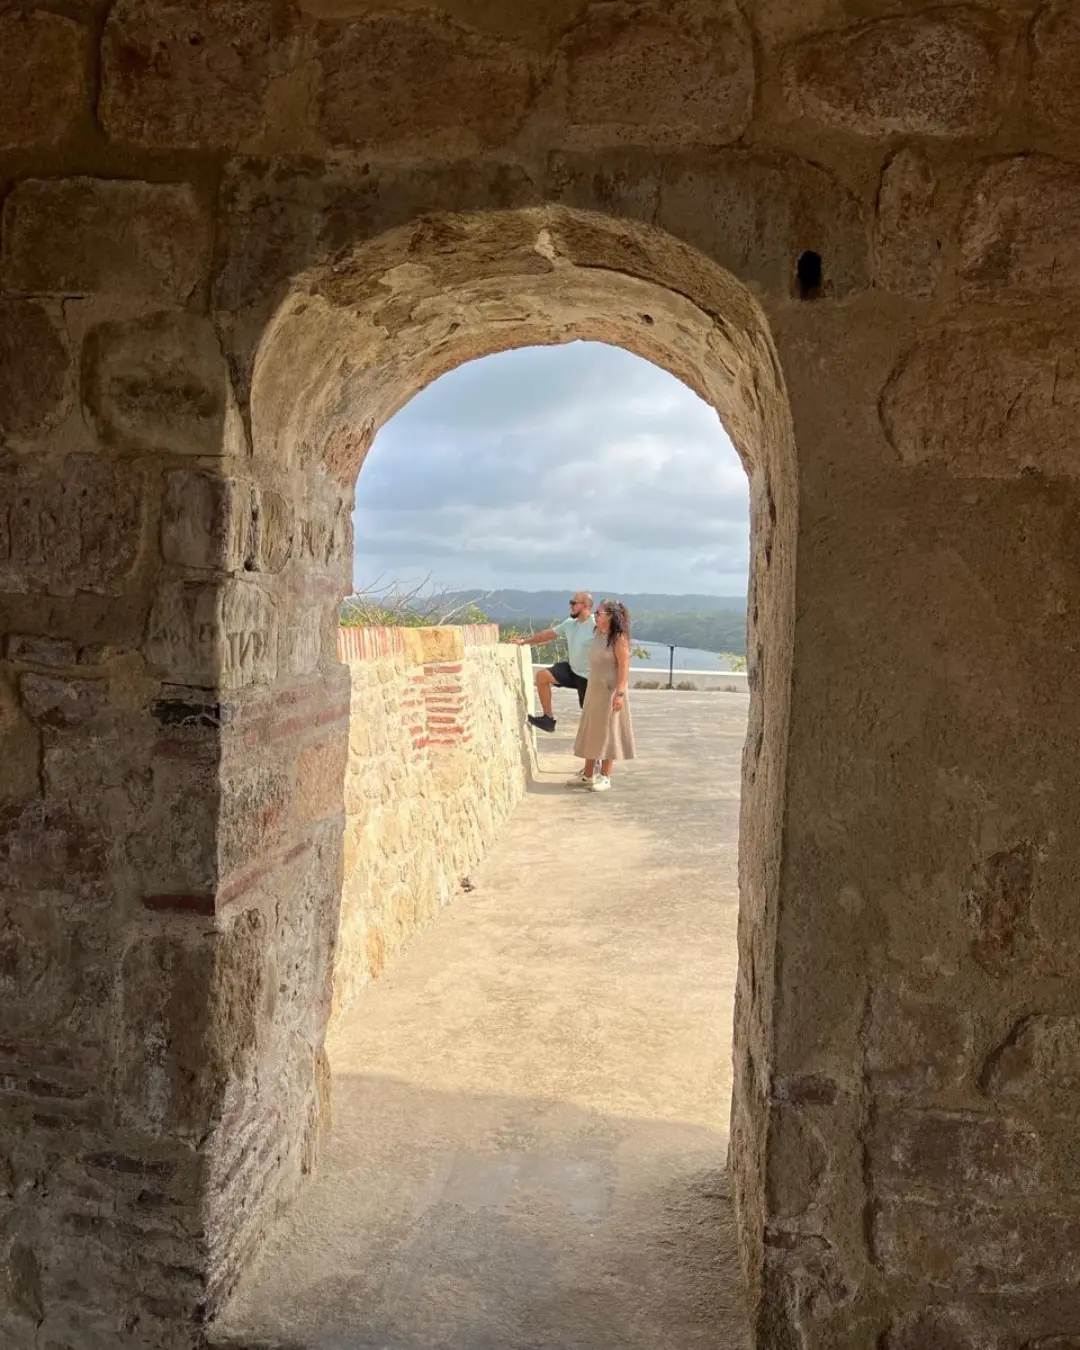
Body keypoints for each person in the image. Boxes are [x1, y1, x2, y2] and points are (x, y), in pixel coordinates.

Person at [570, 599, 636, 792]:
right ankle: (587, 775)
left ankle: (606, 775)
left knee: (609, 732)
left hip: (610, 691)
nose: (596, 617)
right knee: (591, 730)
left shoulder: (618, 638)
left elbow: (624, 669)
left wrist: (620, 694)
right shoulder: (598, 633)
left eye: (599, 613)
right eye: (596, 613)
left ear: (611, 616)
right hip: (594, 689)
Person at [510, 591, 595, 733]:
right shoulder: (570, 624)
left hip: (589, 678)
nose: (571, 606)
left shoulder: (595, 624)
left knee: (591, 719)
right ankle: (548, 720)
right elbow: (547, 635)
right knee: (542, 676)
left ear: (585, 605)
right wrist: (524, 641)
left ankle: (598, 751)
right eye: (571, 603)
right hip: (572, 670)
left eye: (574, 603)